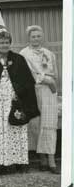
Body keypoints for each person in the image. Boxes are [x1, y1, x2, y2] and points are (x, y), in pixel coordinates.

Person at [0, 29, 40, 174]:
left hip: (16, 102)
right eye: (1, 42)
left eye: (7, 42)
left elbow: (28, 81)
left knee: (17, 129)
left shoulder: (19, 59)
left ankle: (20, 162)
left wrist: (18, 92)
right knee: (0, 131)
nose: (4, 45)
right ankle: (3, 163)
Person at [20, 25, 60, 174]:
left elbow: (55, 74)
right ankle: (42, 158)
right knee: (36, 125)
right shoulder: (24, 54)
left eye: (38, 36)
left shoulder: (49, 53)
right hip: (34, 91)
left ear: (42, 37)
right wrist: (44, 79)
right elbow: (27, 74)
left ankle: (51, 160)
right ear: (28, 38)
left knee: (49, 124)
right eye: (33, 36)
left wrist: (50, 81)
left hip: (49, 92)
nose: (36, 39)